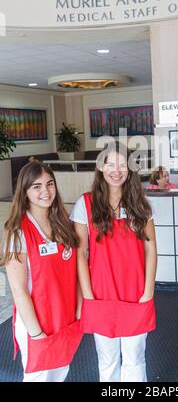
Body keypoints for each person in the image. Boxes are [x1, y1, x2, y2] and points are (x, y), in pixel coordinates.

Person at [71, 141, 157, 382]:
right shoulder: (85, 204)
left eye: (122, 165)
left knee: (135, 358)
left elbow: (151, 249)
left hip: (135, 292)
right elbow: (81, 252)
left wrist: (148, 290)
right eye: (110, 164)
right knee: (107, 359)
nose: (116, 170)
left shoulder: (140, 204)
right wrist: (88, 295)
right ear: (101, 167)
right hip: (100, 294)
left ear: (130, 169)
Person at [2, 162, 81, 382]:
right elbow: (18, 290)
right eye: (36, 186)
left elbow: (74, 272)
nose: (45, 191)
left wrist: (78, 310)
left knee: (60, 374)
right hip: (37, 323)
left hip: (65, 317)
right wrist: (36, 334)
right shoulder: (17, 231)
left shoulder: (63, 222)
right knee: (39, 377)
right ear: (25, 191)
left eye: (49, 184)